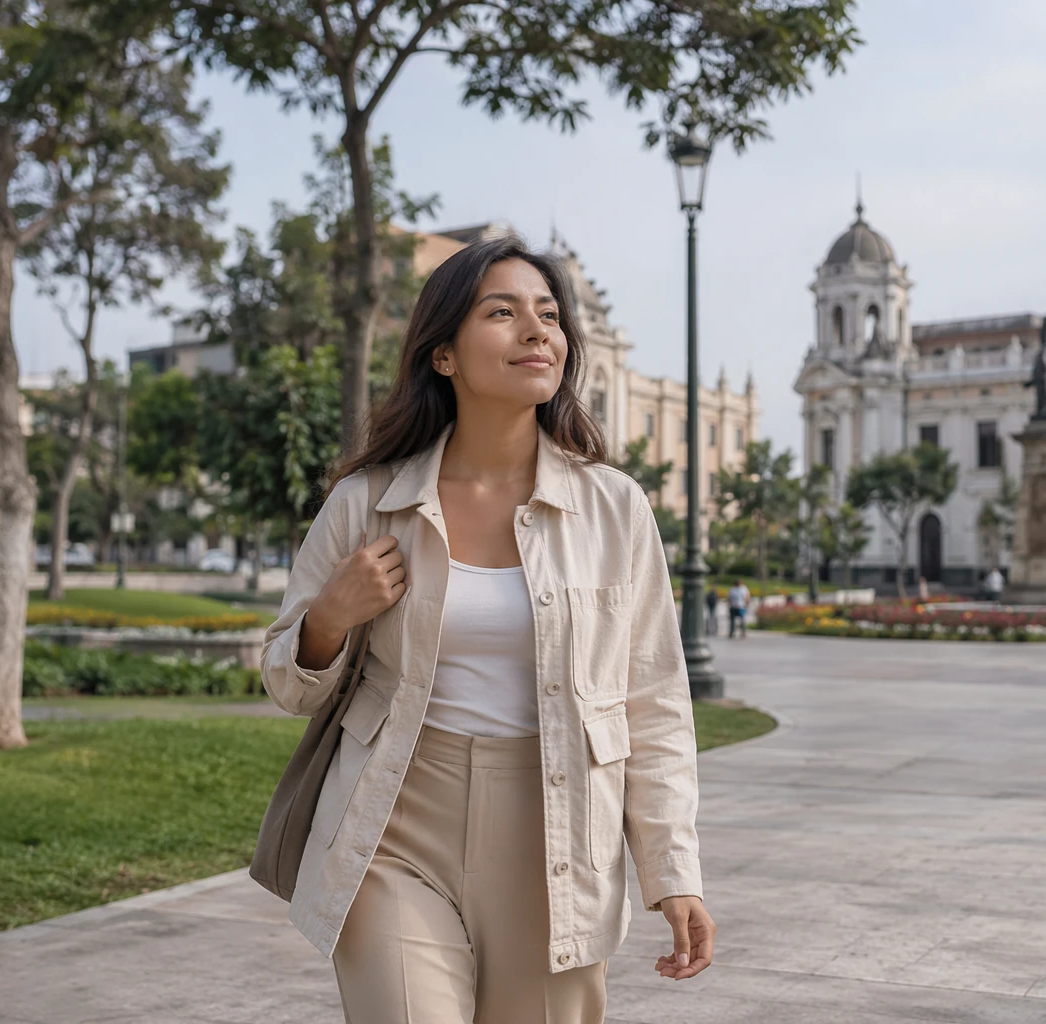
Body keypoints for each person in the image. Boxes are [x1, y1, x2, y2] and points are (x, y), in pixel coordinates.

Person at [259, 237, 713, 1024]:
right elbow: (285, 682)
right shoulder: (368, 503)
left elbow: (655, 704)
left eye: (548, 315)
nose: (537, 331)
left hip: (559, 835)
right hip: (393, 823)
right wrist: (330, 615)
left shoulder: (614, 510)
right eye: (502, 313)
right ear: (443, 356)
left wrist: (674, 872)